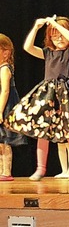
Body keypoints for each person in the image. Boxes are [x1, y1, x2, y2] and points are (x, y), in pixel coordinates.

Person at [6, 16, 69, 180]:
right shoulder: (48, 53)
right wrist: (36, 27)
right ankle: (41, 168)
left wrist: (54, 24)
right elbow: (27, 47)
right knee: (43, 131)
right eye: (54, 35)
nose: (59, 38)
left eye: (61, 34)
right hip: (50, 95)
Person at [0, 34, 27, 181]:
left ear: (6, 52)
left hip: (5, 106)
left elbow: (5, 90)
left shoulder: (5, 69)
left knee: (5, 140)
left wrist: (0, 110)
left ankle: (6, 171)